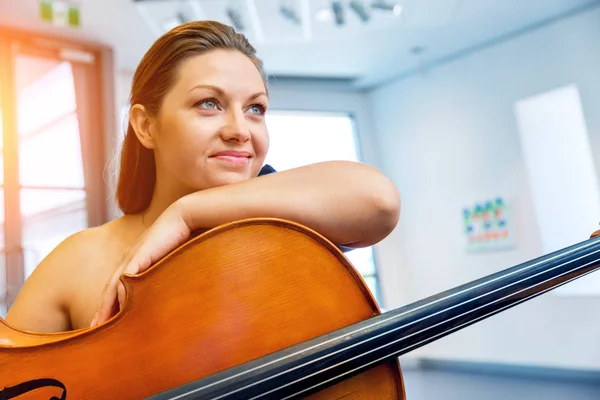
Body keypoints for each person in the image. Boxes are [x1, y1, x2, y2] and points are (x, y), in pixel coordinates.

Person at [4, 20, 400, 333]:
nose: (240, 130)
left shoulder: (285, 230)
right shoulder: (78, 260)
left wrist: (187, 212)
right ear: (145, 126)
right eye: (209, 103)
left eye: (256, 108)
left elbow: (378, 200)